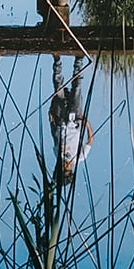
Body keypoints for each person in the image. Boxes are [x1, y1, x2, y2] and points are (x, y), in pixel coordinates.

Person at [48, 54, 94, 185]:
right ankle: (79, 60)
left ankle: (57, 60)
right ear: (71, 170)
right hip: (75, 120)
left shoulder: (58, 155)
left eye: (62, 168)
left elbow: (55, 136)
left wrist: (51, 120)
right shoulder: (80, 156)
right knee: (77, 88)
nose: (64, 166)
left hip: (60, 119)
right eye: (66, 169)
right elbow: (90, 140)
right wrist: (87, 123)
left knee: (58, 88)